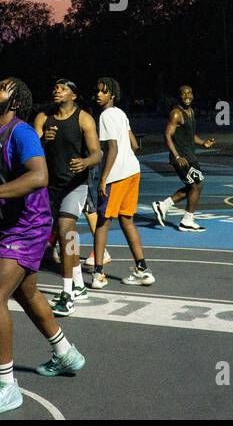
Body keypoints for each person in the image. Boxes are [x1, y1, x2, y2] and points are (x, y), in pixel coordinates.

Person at [0, 78, 85, 416]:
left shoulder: (21, 132)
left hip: (29, 225)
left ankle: (7, 386)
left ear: (14, 102)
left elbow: (39, 176)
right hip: (7, 226)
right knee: (26, 292)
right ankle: (65, 352)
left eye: (1, 88)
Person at [33, 79, 103, 315]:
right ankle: (80, 286)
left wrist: (85, 162)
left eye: (62, 88)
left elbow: (97, 153)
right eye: (55, 88)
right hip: (51, 186)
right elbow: (31, 151)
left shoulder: (84, 118)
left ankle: (67, 293)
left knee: (66, 229)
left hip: (76, 184)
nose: (57, 91)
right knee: (66, 236)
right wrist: (43, 141)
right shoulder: (43, 118)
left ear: (73, 95)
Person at [90, 77, 154, 288]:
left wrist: (104, 178)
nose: (99, 95)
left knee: (102, 223)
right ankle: (142, 270)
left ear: (112, 95)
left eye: (103, 92)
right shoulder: (121, 113)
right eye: (97, 91)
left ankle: (98, 274)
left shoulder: (106, 115)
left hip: (116, 176)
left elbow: (113, 149)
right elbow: (135, 144)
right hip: (133, 171)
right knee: (127, 220)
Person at [153, 84, 215, 231]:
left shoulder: (191, 111)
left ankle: (163, 205)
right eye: (183, 94)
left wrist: (203, 143)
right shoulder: (176, 113)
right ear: (179, 96)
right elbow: (167, 135)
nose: (187, 96)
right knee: (196, 185)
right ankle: (187, 220)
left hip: (190, 155)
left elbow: (190, 135)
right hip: (182, 157)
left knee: (193, 186)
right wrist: (177, 156)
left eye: (190, 93)